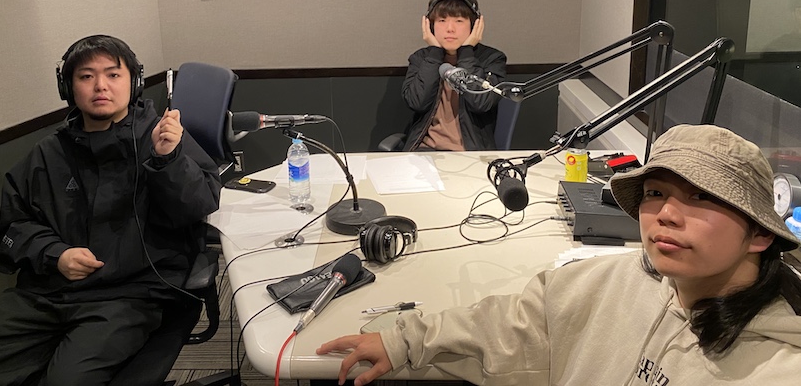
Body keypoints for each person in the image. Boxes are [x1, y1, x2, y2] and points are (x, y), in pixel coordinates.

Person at [317, 124, 801, 385]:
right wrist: (405, 340)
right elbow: (518, 322)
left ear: (760, 234)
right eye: (655, 193)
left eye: (702, 197)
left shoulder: (776, 370)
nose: (667, 214)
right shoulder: (613, 281)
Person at [0, 35, 222, 386]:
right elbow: (10, 229)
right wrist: (55, 254)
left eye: (113, 74)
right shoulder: (48, 153)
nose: (100, 86)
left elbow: (199, 205)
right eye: (86, 76)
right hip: (44, 294)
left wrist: (167, 161)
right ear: (68, 88)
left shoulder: (160, 138)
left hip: (128, 296)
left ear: (135, 83)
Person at [400, 0, 507, 151]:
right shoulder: (421, 58)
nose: (450, 28)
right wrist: (435, 54)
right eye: (442, 20)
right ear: (430, 25)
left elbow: (480, 103)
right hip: (425, 151)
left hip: (471, 153)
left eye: (459, 21)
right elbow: (417, 103)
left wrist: (466, 53)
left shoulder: (492, 59)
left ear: (474, 25)